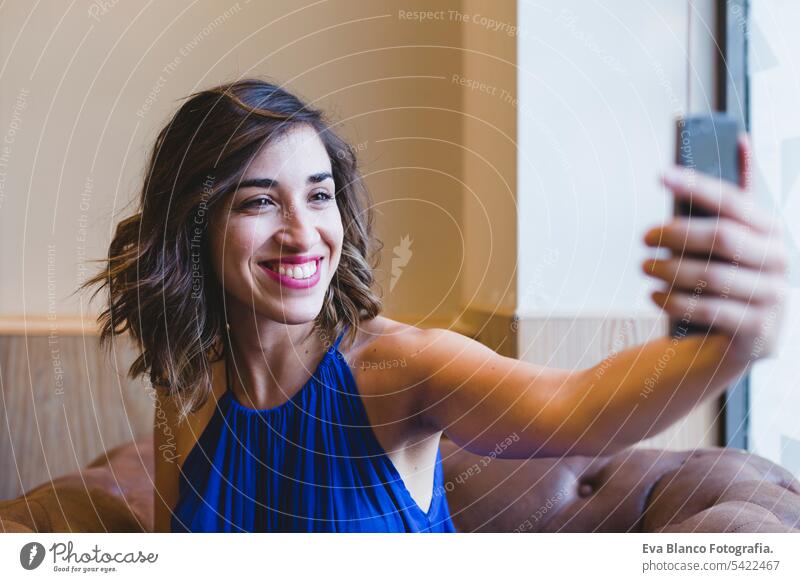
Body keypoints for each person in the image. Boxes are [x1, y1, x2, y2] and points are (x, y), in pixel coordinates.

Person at [80, 78, 788, 533]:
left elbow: (578, 406)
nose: (303, 232)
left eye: (319, 194)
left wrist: (731, 347)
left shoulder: (397, 369)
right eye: (260, 200)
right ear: (193, 227)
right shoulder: (190, 383)